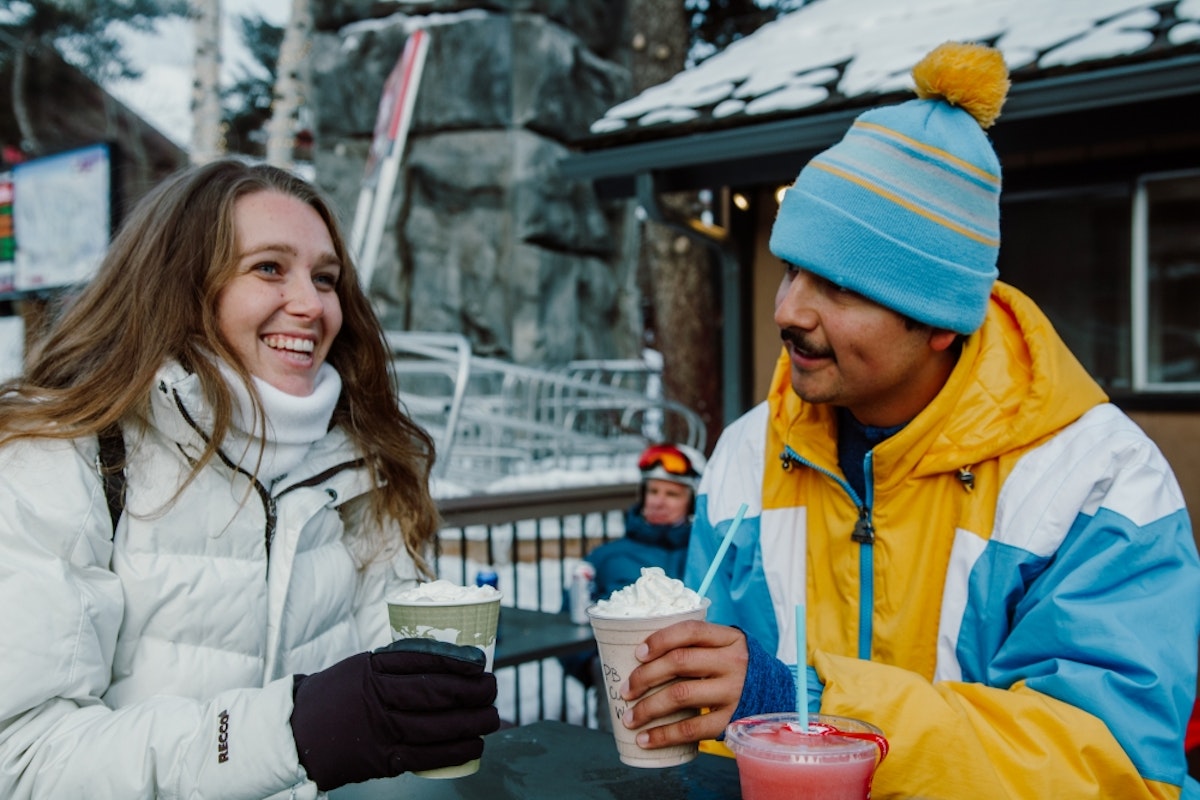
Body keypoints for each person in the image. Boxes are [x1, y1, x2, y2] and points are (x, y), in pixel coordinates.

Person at [615, 41, 1200, 799]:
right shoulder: (746, 452)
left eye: (839, 285)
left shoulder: (1100, 483)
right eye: (792, 268)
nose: (788, 311)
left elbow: (1112, 766)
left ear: (940, 322)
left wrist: (815, 714)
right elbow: (704, 728)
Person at [0, 159, 500, 798]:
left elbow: (391, 692)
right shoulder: (64, 455)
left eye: (326, 278)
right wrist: (292, 732)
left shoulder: (360, 461)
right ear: (176, 284)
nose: (311, 305)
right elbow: (24, 758)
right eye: (269, 268)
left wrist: (437, 703)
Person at [562, 442, 705, 729]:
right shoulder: (605, 557)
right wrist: (598, 660)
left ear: (692, 500)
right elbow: (569, 624)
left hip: (693, 673)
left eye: (672, 494)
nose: (658, 501)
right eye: (653, 491)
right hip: (623, 679)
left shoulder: (705, 554)